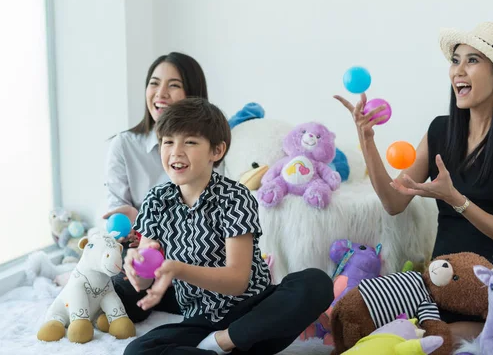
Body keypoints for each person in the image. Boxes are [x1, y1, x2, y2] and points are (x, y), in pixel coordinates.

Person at [335, 21, 493, 341]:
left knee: (423, 342)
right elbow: (394, 201)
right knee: (362, 320)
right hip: (441, 284)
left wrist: (459, 201)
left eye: (472, 60)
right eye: (455, 61)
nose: (459, 71)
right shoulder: (441, 130)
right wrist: (367, 140)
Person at [123, 97, 333, 355]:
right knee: (136, 351)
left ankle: (224, 343)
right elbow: (145, 281)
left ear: (217, 151)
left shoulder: (234, 197)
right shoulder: (156, 200)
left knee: (316, 282)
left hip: (255, 314)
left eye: (189, 142)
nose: (176, 151)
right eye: (168, 141)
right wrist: (137, 266)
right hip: (200, 319)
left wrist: (179, 269)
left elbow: (237, 281)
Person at [107, 52, 208, 322]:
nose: (160, 93)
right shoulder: (124, 145)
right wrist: (132, 228)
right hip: (142, 249)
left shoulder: (208, 149)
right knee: (125, 295)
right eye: (154, 83)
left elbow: (204, 218)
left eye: (173, 85)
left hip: (192, 251)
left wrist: (142, 221)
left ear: (192, 94)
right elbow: (115, 217)